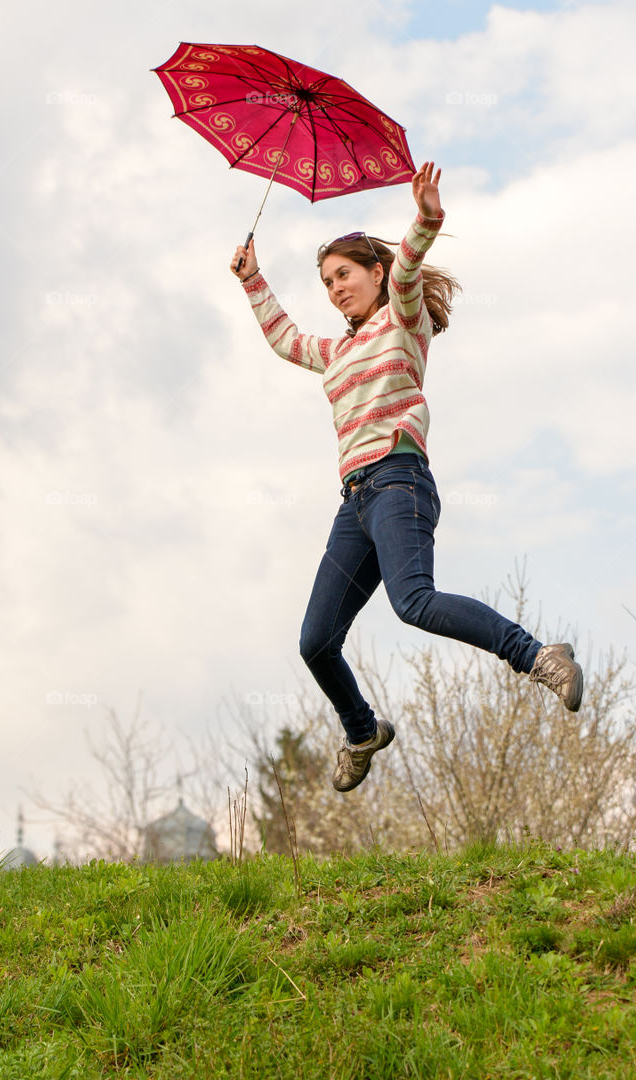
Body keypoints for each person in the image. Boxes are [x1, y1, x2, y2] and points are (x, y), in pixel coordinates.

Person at [230, 161, 582, 793]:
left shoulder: (402, 319)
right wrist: (253, 278)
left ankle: (538, 656)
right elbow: (284, 340)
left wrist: (425, 220)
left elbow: (412, 269)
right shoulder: (335, 351)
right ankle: (362, 732)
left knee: (413, 602)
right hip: (354, 501)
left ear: (376, 274)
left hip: (399, 481)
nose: (336, 289)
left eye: (345, 275)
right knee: (316, 641)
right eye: (327, 282)